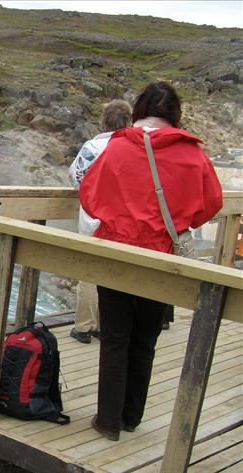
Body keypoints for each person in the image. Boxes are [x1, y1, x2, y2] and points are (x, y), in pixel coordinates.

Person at [80, 81, 223, 441]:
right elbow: (211, 203)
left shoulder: (117, 148)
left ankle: (108, 421)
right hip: (161, 256)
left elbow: (90, 196)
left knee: (115, 338)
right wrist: (179, 220)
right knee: (145, 339)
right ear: (175, 113)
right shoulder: (191, 154)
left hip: (116, 252)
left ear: (139, 109)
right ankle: (131, 416)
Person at [68, 99, 132, 344]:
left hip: (93, 219)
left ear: (103, 121)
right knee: (117, 273)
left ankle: (85, 326)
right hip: (124, 221)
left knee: (89, 272)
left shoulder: (93, 147)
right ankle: (109, 326)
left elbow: (76, 175)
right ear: (128, 121)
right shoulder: (133, 148)